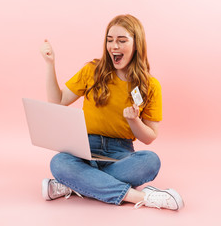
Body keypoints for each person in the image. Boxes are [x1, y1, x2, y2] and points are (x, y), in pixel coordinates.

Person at [39, 14, 184, 210]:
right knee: (59, 162)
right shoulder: (93, 71)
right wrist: (50, 64)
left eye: (122, 41)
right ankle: (141, 197)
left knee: (151, 161)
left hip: (120, 154)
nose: (114, 46)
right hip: (85, 149)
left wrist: (134, 121)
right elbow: (57, 101)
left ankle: (74, 184)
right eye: (110, 40)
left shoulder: (150, 85)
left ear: (136, 44)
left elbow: (150, 137)